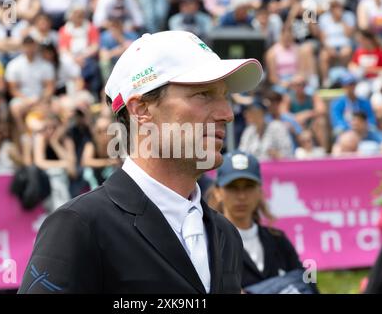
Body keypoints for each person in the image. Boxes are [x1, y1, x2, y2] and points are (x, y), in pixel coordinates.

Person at [18, 30, 263, 293]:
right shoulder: (79, 226)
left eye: (224, 96)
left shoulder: (225, 234)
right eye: (203, 94)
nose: (227, 114)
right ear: (141, 109)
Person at [213, 150, 316, 292]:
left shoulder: (277, 239)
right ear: (218, 192)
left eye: (249, 186)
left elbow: (308, 283)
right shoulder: (210, 243)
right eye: (232, 187)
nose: (241, 196)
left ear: (260, 191)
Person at [5, 35, 55, 133]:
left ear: (35, 46)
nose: (29, 49)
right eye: (26, 46)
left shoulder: (45, 65)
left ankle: (49, 134)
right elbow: (13, 89)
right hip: (22, 99)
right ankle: (23, 134)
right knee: (15, 108)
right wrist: (27, 100)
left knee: (55, 106)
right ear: (22, 47)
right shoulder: (14, 65)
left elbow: (50, 87)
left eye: (31, 45)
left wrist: (41, 98)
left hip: (41, 99)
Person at [330, 73, 377, 137]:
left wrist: (363, 126)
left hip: (365, 132)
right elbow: (337, 121)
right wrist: (352, 127)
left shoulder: (364, 102)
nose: (350, 87)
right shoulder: (337, 103)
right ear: (343, 86)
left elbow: (371, 118)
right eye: (348, 85)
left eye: (352, 84)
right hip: (346, 133)